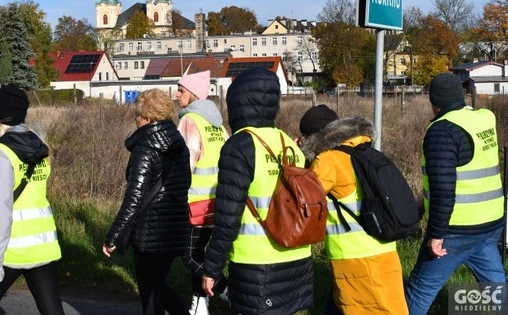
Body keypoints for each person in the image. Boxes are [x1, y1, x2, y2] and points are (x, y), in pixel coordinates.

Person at [202, 68, 313, 314]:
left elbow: (228, 218)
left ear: (237, 104)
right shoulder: (288, 143)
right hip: (297, 258)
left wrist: (212, 268)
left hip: (258, 265)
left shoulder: (240, 146)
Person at [405, 73, 505, 315]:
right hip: (491, 223)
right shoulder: (484, 118)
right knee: (496, 289)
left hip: (456, 230)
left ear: (433, 101)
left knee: (418, 292)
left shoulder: (442, 131)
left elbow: (443, 189)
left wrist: (436, 234)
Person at [0, 84, 64, 315]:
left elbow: (1, 212)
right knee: (53, 311)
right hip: (42, 244)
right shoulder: (38, 146)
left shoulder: (1, 152)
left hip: (11, 248)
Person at [299, 107, 407, 314]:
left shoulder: (329, 160)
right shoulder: (361, 151)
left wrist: (303, 157)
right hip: (382, 246)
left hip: (356, 256)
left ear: (314, 136)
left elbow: (304, 197)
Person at [103, 88, 190, 315]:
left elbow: (134, 198)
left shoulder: (145, 148)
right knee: (158, 287)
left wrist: (113, 235)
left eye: (137, 116)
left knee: (150, 294)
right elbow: (185, 182)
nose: (136, 120)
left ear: (148, 119)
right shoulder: (178, 143)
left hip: (150, 232)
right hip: (175, 228)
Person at [174, 71, 228, 315]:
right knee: (199, 253)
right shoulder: (218, 125)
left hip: (194, 202)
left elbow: (184, 166)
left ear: (194, 94)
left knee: (186, 252)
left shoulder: (189, 121)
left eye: (181, 90)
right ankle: (200, 306)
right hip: (218, 201)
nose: (176, 95)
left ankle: (225, 288)